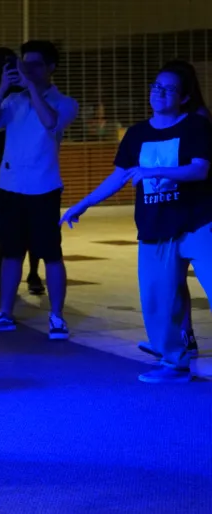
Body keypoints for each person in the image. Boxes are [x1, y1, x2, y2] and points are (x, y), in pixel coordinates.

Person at [61, 61, 209, 381]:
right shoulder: (137, 134)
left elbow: (200, 169)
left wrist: (155, 171)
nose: (159, 93)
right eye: (156, 86)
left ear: (184, 98)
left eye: (169, 89)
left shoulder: (195, 127)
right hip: (155, 228)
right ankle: (173, 362)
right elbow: (119, 176)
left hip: (198, 223)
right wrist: (82, 204)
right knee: (157, 298)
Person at [0, 40, 78, 340]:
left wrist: (31, 87)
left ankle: (57, 316)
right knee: (10, 252)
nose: (27, 69)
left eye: (35, 64)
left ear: (50, 68)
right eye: (25, 63)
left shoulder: (65, 102)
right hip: (9, 186)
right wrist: (4, 88)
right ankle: (4, 313)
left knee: (51, 254)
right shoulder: (13, 101)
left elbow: (51, 123)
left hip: (44, 187)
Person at [0, 47, 44, 295]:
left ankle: (34, 272)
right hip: (0, 156)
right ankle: (4, 271)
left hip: (28, 156)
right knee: (4, 217)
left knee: (32, 217)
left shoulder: (29, 90)